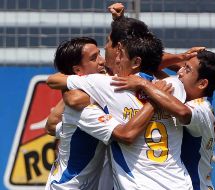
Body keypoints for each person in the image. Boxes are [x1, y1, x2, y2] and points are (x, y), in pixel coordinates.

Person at [46, 20, 193, 189]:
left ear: (136, 62)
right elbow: (69, 103)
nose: (109, 60)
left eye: (120, 55)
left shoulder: (107, 87)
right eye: (95, 58)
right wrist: (153, 94)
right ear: (78, 71)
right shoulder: (173, 86)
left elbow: (53, 118)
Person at [45, 37, 156, 190]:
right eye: (94, 58)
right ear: (78, 71)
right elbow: (126, 134)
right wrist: (154, 101)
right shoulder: (83, 109)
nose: (102, 61)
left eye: (99, 54)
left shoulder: (91, 90)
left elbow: (51, 125)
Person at [111, 49, 215, 190]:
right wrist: (181, 56)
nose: (179, 72)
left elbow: (183, 112)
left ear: (202, 84)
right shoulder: (181, 96)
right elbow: (153, 64)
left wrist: (143, 84)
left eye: (187, 69)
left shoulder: (203, 110)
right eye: (182, 66)